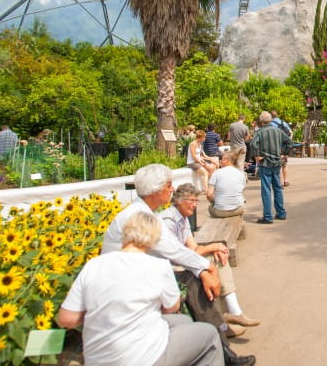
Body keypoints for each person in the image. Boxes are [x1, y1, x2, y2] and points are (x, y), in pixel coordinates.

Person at [101, 164, 256, 366]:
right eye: (168, 186)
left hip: (133, 279)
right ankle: (221, 346)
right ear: (156, 190)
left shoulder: (143, 212)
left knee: (196, 277)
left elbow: (178, 251)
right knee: (194, 282)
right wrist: (205, 269)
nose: (171, 189)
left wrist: (203, 269)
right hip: (130, 285)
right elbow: (174, 251)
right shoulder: (143, 216)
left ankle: (222, 343)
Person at [58, 211, 223, 366]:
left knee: (184, 322)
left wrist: (100, 312)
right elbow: (173, 306)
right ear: (155, 238)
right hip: (141, 357)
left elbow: (66, 319)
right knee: (209, 335)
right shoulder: (157, 265)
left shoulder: (94, 265)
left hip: (97, 359)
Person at [162, 184, 259, 331]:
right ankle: (225, 323)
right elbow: (180, 256)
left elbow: (193, 248)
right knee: (211, 262)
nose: (194, 205)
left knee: (218, 257)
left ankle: (233, 313)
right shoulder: (168, 221)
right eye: (191, 201)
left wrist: (215, 248)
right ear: (178, 201)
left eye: (196, 201)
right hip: (172, 268)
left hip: (183, 261)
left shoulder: (183, 218)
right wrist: (214, 246)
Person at [250, 111, 292, 224]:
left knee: (266, 190)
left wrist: (257, 156)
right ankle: (281, 213)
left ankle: (267, 217)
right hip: (277, 163)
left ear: (261, 121)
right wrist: (284, 153)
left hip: (265, 163)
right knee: (277, 188)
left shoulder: (260, 132)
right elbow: (289, 141)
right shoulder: (278, 130)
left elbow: (253, 144)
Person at [207, 151, 247, 218]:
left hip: (220, 211)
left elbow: (209, 194)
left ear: (227, 160)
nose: (220, 161)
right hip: (238, 209)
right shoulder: (241, 173)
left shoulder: (217, 173)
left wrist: (213, 202)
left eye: (222, 159)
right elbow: (241, 191)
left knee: (210, 207)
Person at [187, 129, 217, 194]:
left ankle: (211, 186)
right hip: (192, 163)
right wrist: (200, 162)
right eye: (204, 137)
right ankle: (206, 190)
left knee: (212, 168)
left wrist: (210, 159)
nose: (205, 139)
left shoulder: (200, 144)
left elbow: (203, 155)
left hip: (198, 161)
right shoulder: (193, 144)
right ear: (200, 137)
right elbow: (194, 156)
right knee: (205, 173)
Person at [270, 111, 292, 187]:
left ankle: (278, 183)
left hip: (275, 148)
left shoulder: (270, 124)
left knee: (276, 166)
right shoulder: (283, 122)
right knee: (284, 165)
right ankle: (285, 181)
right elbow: (290, 133)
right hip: (284, 147)